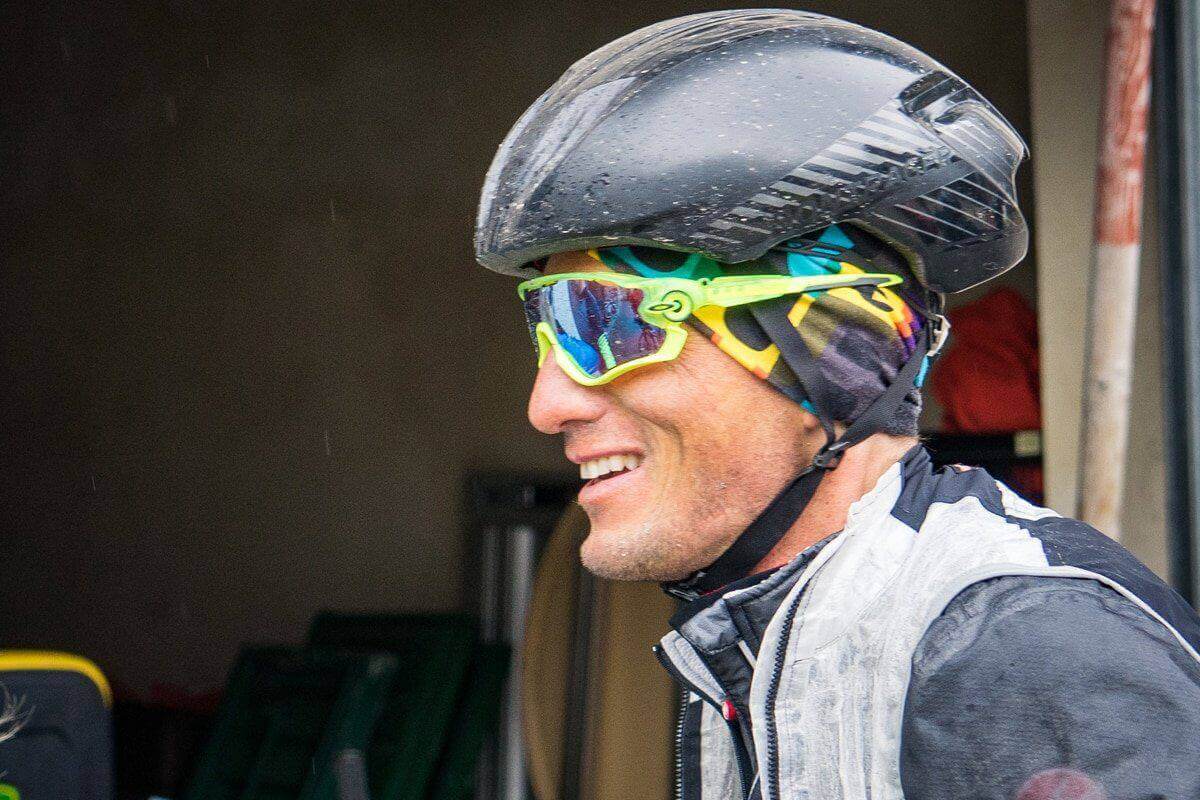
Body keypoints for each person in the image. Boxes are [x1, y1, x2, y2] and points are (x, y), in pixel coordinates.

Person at [475, 10, 1200, 800]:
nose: (548, 404)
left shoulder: (1027, 656)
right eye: (546, 329)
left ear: (826, 355)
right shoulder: (763, 642)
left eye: (605, 323)